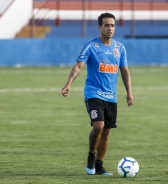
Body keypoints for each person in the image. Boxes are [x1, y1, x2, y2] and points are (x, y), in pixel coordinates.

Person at [60, 12, 134, 176]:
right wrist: (68, 84)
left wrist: (129, 92)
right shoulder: (91, 46)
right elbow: (78, 66)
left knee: (106, 132)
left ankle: (99, 167)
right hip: (93, 93)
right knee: (98, 126)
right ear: (99, 27)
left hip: (111, 96)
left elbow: (125, 71)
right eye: (106, 25)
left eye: (112, 25)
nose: (110, 28)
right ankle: (91, 157)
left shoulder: (119, 48)